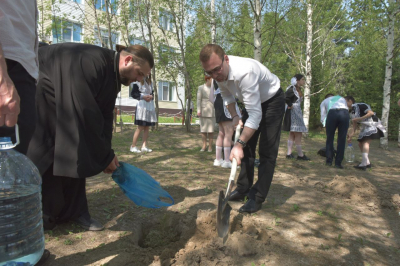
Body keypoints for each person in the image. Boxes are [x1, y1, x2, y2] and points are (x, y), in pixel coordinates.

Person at [26, 43, 154, 231]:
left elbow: (104, 115)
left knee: (78, 151)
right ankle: (43, 214)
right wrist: (104, 157)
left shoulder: (113, 75)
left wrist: (108, 153)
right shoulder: (91, 62)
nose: (139, 79)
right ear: (127, 60)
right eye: (140, 73)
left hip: (69, 97)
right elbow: (85, 113)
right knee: (52, 149)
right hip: (45, 89)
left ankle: (75, 211)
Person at [200, 44, 285, 213]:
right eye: (209, 73)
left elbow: (255, 116)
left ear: (226, 59)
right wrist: (235, 117)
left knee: (267, 151)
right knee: (247, 148)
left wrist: (238, 144)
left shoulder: (245, 72)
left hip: (272, 101)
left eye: (217, 70)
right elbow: (227, 96)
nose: (215, 76)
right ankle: (243, 188)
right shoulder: (218, 75)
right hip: (252, 103)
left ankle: (257, 197)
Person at [0, 1, 51, 264]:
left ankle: (15, 250)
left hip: (21, 67)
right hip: (7, 64)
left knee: (12, 169)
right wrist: (1, 78)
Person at [209, 79, 241, 168]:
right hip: (226, 102)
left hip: (217, 102)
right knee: (228, 133)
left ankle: (218, 159)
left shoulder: (213, 78)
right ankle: (227, 161)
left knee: (221, 133)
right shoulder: (226, 74)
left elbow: (211, 97)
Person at [347, 101, 385, 170]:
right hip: (365, 126)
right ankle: (367, 162)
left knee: (365, 142)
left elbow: (371, 113)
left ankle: (363, 164)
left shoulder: (361, 105)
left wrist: (359, 119)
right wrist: (351, 135)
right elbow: (354, 125)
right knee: (360, 144)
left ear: (350, 101)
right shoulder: (352, 112)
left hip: (372, 123)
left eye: (345, 102)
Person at [320, 95, 354, 169]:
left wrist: (325, 124)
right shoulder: (341, 98)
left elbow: (323, 115)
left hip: (332, 114)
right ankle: (338, 163)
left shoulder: (324, 102)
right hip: (344, 113)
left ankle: (329, 161)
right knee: (342, 139)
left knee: (329, 139)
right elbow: (346, 111)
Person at [282, 74, 310, 160]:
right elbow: (285, 97)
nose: (303, 81)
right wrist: (290, 105)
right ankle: (300, 155)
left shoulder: (297, 89)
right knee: (298, 134)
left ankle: (289, 153)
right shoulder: (291, 89)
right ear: (297, 80)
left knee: (292, 133)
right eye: (302, 79)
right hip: (294, 113)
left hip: (296, 112)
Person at [130, 75, 157, 153]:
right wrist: (143, 97)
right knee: (141, 127)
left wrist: (151, 97)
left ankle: (144, 146)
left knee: (147, 127)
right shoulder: (137, 81)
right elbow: (133, 94)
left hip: (149, 106)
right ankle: (133, 146)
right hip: (142, 106)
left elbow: (152, 93)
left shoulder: (149, 82)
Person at [196, 76, 215, 152]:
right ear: (208, 79)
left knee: (211, 130)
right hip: (203, 110)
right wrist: (198, 110)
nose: (213, 81)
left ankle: (210, 146)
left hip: (212, 111)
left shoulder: (215, 88)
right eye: (212, 79)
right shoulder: (201, 87)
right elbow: (198, 100)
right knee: (203, 130)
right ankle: (204, 145)